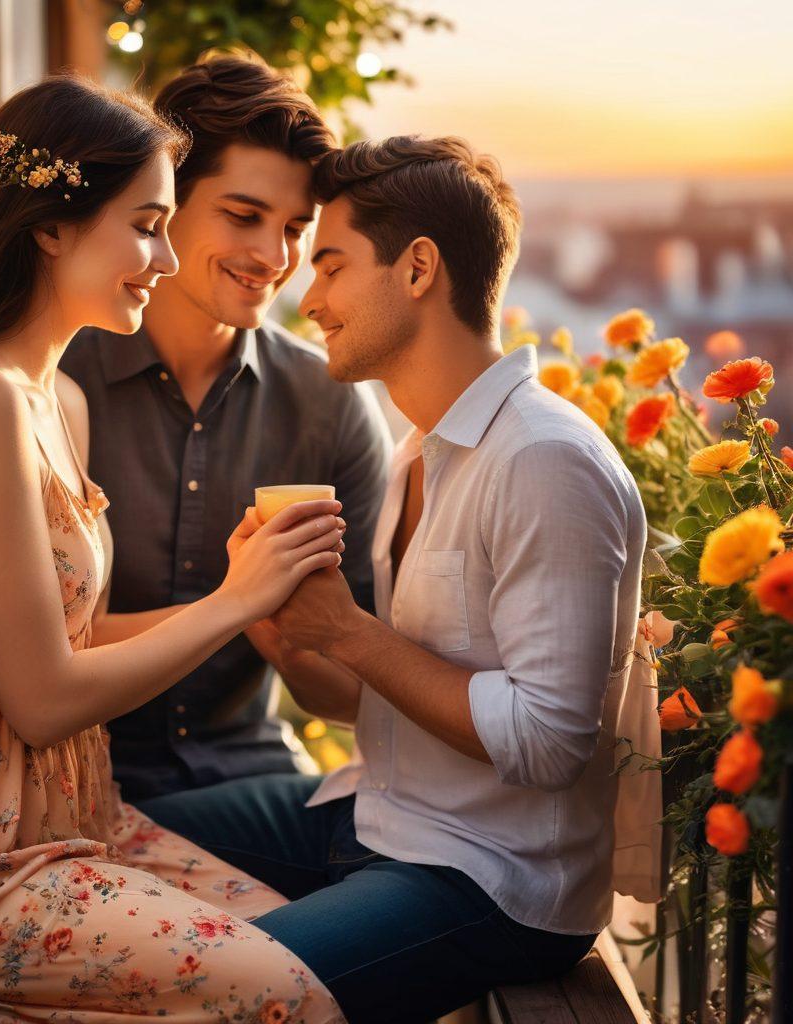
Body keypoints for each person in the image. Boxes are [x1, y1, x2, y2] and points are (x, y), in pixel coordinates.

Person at [0, 75, 347, 1024]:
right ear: (51, 226)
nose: (163, 255)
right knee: (285, 995)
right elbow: (40, 697)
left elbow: (70, 634)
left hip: (70, 821)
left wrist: (261, 596)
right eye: (147, 223)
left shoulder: (55, 396)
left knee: (297, 947)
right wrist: (233, 599)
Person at [136, 136, 650, 1024]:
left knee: (224, 993)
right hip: (375, 813)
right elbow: (373, 700)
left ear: (418, 269)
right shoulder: (422, 448)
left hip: (487, 878)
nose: (310, 296)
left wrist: (348, 630)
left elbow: (550, 742)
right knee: (106, 842)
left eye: (330, 265)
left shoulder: (543, 461)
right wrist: (278, 626)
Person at [60, 55, 390, 801]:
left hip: (254, 779)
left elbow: (354, 689)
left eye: (296, 228)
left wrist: (298, 644)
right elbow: (31, 657)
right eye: (244, 215)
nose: (274, 258)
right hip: (74, 780)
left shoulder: (330, 402)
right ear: (164, 201)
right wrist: (237, 606)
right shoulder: (59, 380)